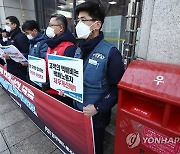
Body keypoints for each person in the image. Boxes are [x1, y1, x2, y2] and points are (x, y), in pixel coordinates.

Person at [74, 2, 125, 154]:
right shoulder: (79, 48)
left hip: (96, 115)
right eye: (78, 20)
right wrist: (67, 88)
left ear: (97, 24)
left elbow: (116, 88)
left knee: (95, 147)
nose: (78, 24)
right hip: (77, 108)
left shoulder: (111, 53)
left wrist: (97, 108)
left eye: (83, 20)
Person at [44, 13, 76, 106]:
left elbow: (71, 74)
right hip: (49, 86)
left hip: (61, 94)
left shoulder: (69, 47)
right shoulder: (52, 43)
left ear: (61, 28)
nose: (48, 28)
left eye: (51, 25)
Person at [2, 16, 29, 81]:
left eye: (7, 24)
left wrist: (11, 56)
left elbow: (25, 53)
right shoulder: (11, 36)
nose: (6, 26)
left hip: (19, 70)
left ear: (14, 25)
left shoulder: (20, 37)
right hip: (12, 68)